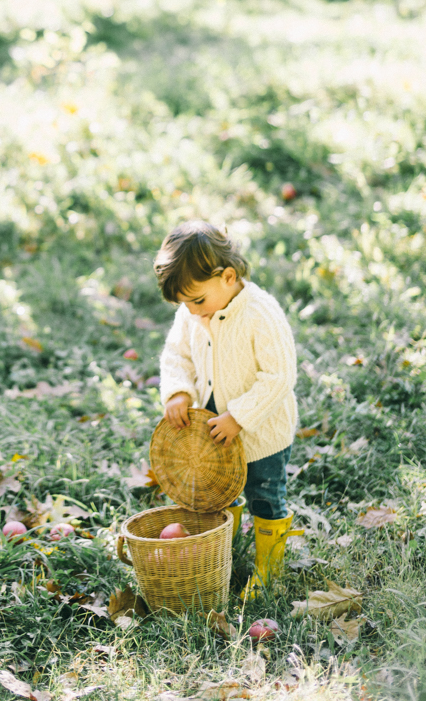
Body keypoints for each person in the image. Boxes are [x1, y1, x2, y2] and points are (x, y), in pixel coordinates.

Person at [155, 220, 300, 595]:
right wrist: (177, 393)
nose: (192, 312)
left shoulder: (260, 313)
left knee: (264, 493)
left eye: (197, 300)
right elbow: (177, 355)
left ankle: (269, 569)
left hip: (261, 434)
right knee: (219, 493)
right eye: (184, 304)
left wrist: (240, 417)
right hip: (212, 431)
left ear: (229, 276)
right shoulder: (193, 312)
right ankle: (225, 552)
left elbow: (278, 377)